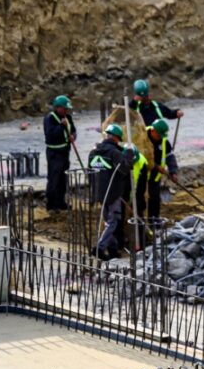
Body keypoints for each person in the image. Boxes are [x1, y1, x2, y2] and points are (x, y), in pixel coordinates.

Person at [86, 123, 135, 260]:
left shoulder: (93, 153)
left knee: (108, 221)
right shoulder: (114, 153)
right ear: (115, 138)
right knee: (113, 221)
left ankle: (112, 249)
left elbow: (89, 172)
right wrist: (129, 155)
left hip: (99, 192)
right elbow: (125, 169)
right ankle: (99, 248)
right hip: (113, 193)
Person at [43, 94, 76, 212]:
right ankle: (52, 205)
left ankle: (61, 202)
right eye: (65, 108)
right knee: (54, 178)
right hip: (54, 153)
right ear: (58, 108)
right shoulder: (50, 118)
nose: (67, 111)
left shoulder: (68, 117)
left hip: (65, 152)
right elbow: (50, 134)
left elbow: (73, 130)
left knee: (63, 178)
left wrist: (73, 136)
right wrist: (61, 127)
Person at [140, 118, 176, 225]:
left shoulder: (164, 142)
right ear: (153, 131)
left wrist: (173, 171)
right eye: (159, 135)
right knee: (140, 200)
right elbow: (142, 156)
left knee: (155, 198)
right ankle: (140, 223)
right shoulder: (142, 137)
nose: (161, 137)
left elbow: (170, 157)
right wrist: (155, 166)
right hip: (140, 176)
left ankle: (154, 221)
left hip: (154, 177)